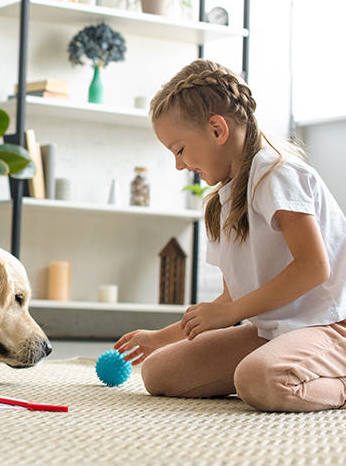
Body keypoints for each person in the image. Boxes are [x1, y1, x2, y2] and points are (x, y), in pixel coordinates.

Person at [115, 59, 346, 412]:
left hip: (331, 327)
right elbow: (229, 299)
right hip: (276, 330)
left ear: (217, 129)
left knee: (260, 380)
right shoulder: (221, 202)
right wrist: (159, 339)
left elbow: (314, 267)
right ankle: (283, 364)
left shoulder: (277, 174)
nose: (179, 165)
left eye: (179, 149)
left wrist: (234, 311)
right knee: (159, 372)